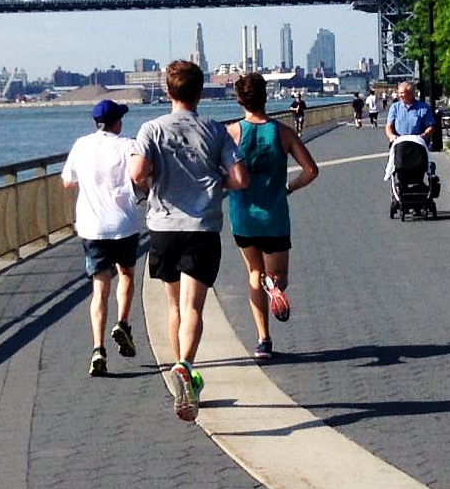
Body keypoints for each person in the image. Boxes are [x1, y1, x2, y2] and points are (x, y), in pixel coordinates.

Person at [130, 60, 246, 422]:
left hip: (163, 228)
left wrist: (152, 184)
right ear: (200, 93)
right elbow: (240, 178)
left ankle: (178, 371)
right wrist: (214, 187)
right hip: (201, 227)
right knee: (194, 307)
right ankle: (186, 365)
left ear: (168, 92)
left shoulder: (151, 129)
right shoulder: (214, 130)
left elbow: (137, 173)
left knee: (174, 307)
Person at [227, 73, 319, 361]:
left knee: (254, 273)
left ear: (239, 100)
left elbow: (218, 172)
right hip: (275, 215)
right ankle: (275, 287)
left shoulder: (231, 133)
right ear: (265, 98)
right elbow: (311, 170)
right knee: (279, 276)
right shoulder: (283, 132)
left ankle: (263, 340)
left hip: (242, 215)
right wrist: (289, 187)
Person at [60, 98, 145, 377]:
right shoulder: (128, 145)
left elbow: (67, 181)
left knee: (100, 289)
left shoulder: (81, 145)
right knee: (127, 274)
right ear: (117, 122)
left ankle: (98, 349)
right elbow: (140, 175)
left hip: (92, 226)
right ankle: (122, 322)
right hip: (124, 224)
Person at [382, 79, 441, 189]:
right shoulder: (395, 107)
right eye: (399, 94)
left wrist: (425, 134)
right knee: (399, 161)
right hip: (400, 142)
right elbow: (389, 125)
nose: (400, 97)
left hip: (417, 142)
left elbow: (431, 126)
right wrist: (391, 136)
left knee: (421, 162)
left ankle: (424, 178)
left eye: (403, 94)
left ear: (411, 93)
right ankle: (400, 180)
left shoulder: (423, 108)